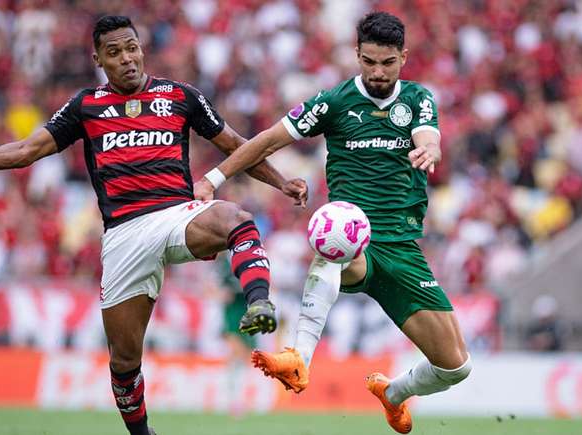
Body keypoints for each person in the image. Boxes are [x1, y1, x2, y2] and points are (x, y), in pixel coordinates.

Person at [0, 15, 307, 435]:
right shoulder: (86, 106)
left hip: (175, 215)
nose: (127, 58)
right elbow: (26, 150)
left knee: (236, 219)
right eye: (114, 52)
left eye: (132, 47)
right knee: (124, 363)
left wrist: (281, 182)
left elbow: (237, 146)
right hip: (124, 235)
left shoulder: (179, 96)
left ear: (141, 48)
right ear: (99, 59)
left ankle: (259, 302)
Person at [194, 12, 471, 434]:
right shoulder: (333, 102)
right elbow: (266, 140)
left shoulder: (417, 99)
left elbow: (428, 135)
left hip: (403, 247)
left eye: (388, 63)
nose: (378, 72)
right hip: (353, 234)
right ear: (356, 54)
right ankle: (298, 357)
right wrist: (212, 179)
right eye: (369, 61)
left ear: (404, 57)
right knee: (334, 241)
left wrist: (429, 150)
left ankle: (392, 394)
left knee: (455, 367)